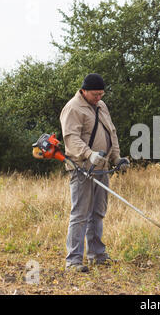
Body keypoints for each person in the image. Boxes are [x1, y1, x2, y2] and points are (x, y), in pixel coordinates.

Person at [60, 73, 129, 272]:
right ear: (84, 91)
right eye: (95, 94)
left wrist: (117, 157)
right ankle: (73, 261)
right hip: (81, 168)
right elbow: (71, 138)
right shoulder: (73, 108)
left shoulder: (102, 106)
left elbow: (111, 133)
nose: (98, 97)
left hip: (102, 168)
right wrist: (88, 154)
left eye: (101, 94)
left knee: (98, 213)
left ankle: (97, 256)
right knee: (80, 214)